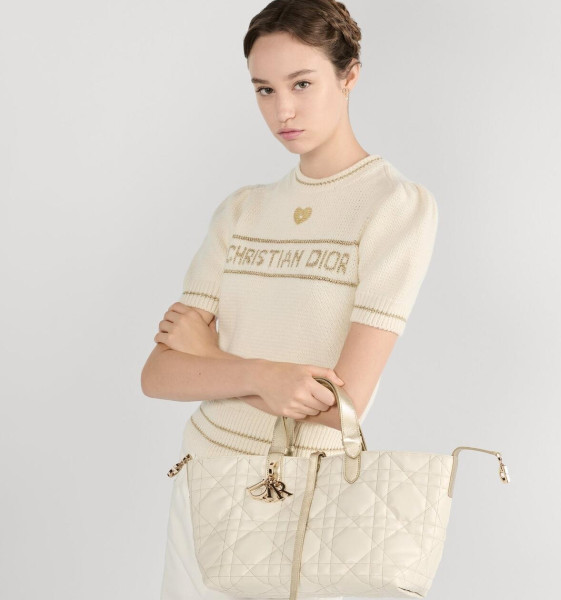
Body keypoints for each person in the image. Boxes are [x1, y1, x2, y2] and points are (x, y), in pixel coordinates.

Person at [141, 1, 439, 598]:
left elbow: (341, 404)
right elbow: (159, 374)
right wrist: (265, 376)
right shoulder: (242, 211)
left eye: (302, 84)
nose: (283, 110)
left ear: (349, 75)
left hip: (308, 497)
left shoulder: (394, 208)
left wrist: (215, 360)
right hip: (202, 481)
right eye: (264, 90)